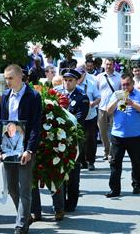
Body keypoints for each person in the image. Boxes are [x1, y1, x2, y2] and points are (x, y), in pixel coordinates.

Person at [0, 65, 42, 234]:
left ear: (20, 77)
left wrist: (30, 150)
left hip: (25, 147)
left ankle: (21, 225)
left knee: (24, 188)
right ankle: (25, 215)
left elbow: (36, 125)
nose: (7, 82)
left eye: (10, 78)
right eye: (6, 78)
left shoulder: (33, 95)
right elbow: (0, 121)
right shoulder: (6, 95)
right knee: (12, 188)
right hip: (7, 146)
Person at [105, 74, 140, 197]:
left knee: (136, 162)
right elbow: (108, 111)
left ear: (132, 84)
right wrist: (117, 100)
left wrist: (133, 104)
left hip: (135, 135)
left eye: (127, 84)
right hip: (118, 135)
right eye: (123, 84)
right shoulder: (116, 94)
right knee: (115, 163)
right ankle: (114, 189)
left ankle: (136, 185)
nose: (125, 87)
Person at [51, 68, 89, 213]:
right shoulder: (57, 93)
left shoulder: (82, 97)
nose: (67, 83)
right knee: (58, 170)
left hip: (73, 139)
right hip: (57, 138)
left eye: (70, 80)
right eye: (65, 80)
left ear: (77, 81)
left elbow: (79, 119)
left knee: (72, 172)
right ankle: (59, 202)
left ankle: (71, 203)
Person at [76, 66, 101, 171]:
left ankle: (91, 161)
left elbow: (98, 97)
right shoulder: (74, 85)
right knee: (79, 139)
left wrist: (93, 103)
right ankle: (81, 161)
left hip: (91, 115)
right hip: (78, 116)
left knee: (91, 139)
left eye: (81, 74)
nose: (79, 77)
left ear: (85, 74)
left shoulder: (91, 84)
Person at [97, 58, 121, 160]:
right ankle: (106, 150)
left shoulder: (119, 77)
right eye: (106, 64)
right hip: (102, 108)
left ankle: (112, 152)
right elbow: (96, 91)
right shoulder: (99, 77)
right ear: (104, 65)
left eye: (110, 64)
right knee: (102, 131)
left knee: (113, 131)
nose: (108, 66)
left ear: (114, 65)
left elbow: (121, 92)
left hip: (114, 108)